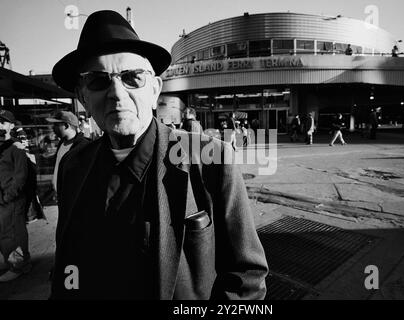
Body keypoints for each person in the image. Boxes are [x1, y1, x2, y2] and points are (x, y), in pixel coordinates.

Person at [50, 10, 268, 300]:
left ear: (154, 90)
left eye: (132, 78)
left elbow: (246, 280)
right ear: (83, 98)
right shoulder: (73, 165)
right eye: (98, 80)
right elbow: (68, 262)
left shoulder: (210, 158)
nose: (116, 93)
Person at [0, 110, 32, 282]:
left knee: (12, 232)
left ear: (11, 126)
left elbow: (21, 175)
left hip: (11, 199)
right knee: (4, 232)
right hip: (4, 198)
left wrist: (9, 195)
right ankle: (13, 262)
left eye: (3, 122)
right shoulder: (3, 147)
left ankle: (18, 266)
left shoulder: (16, 147)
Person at [46, 111, 90, 194]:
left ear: (66, 126)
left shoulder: (83, 146)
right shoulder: (62, 143)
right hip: (61, 196)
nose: (53, 128)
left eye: (56, 125)